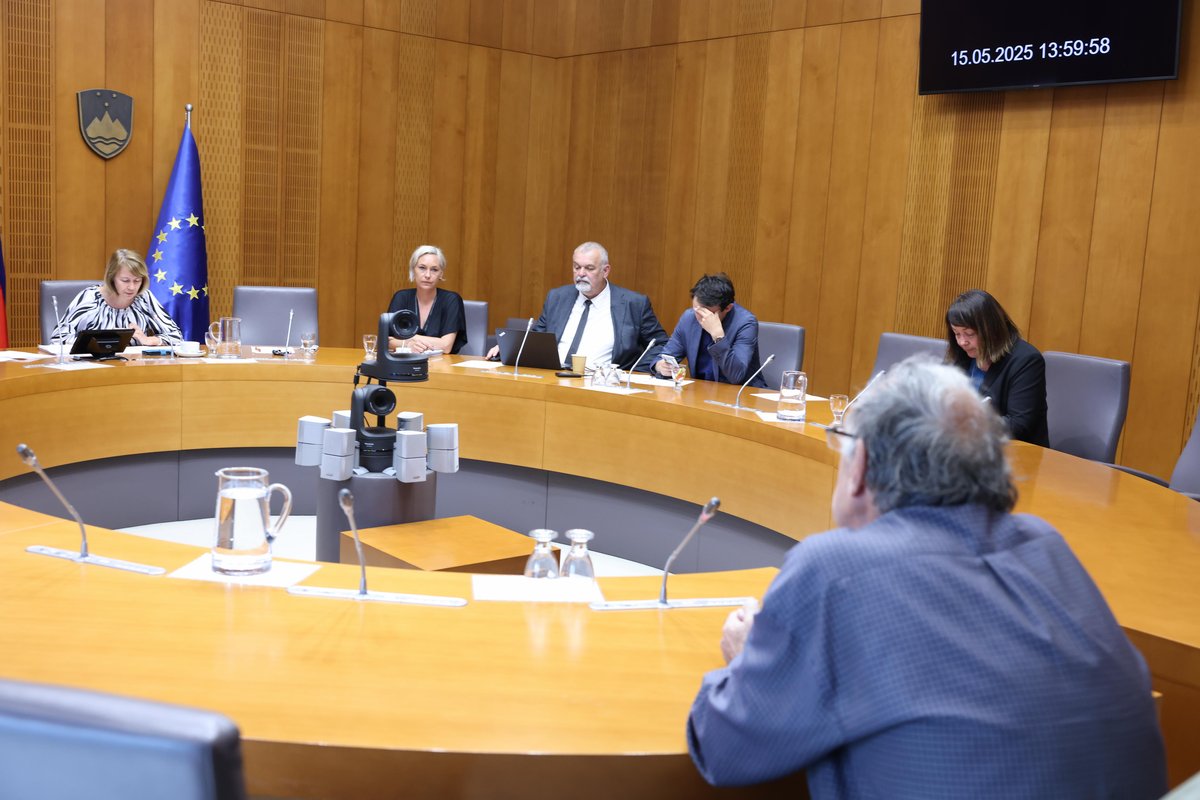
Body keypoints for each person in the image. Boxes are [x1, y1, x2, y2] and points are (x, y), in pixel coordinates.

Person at [687, 358, 1166, 799]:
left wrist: (748, 659)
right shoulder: (1046, 546)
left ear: (862, 466)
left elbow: (723, 748)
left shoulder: (835, 571)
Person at [486, 242, 666, 371]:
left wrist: (655, 364)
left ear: (605, 271)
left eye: (589, 268)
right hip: (554, 377)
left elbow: (659, 343)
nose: (581, 274)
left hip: (601, 384)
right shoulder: (557, 297)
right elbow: (537, 336)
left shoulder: (633, 304)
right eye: (576, 267)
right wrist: (510, 348)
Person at [945, 288, 1048, 446]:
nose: (962, 342)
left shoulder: (1026, 360)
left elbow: (1018, 425)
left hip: (1014, 452)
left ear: (990, 330)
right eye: (956, 333)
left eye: (969, 334)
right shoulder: (960, 355)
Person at [651, 273, 766, 386]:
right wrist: (660, 366)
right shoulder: (689, 318)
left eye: (705, 312)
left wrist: (718, 337)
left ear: (727, 308)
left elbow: (736, 375)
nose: (699, 316)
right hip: (702, 391)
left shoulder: (745, 323)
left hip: (741, 393)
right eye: (696, 309)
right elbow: (665, 355)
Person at [50, 249, 183, 346]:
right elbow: (58, 338)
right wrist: (95, 344)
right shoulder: (90, 298)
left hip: (133, 367)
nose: (132, 287)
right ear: (112, 277)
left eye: (137, 281)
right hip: (92, 367)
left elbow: (176, 336)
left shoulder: (144, 298)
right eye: (125, 280)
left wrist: (149, 340)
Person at [386, 245, 467, 354]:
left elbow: (446, 346)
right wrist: (409, 345)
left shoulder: (451, 300)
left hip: (441, 362)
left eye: (434, 270)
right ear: (413, 270)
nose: (428, 275)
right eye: (422, 268)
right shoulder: (401, 297)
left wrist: (409, 338)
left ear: (441, 274)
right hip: (405, 361)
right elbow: (387, 341)